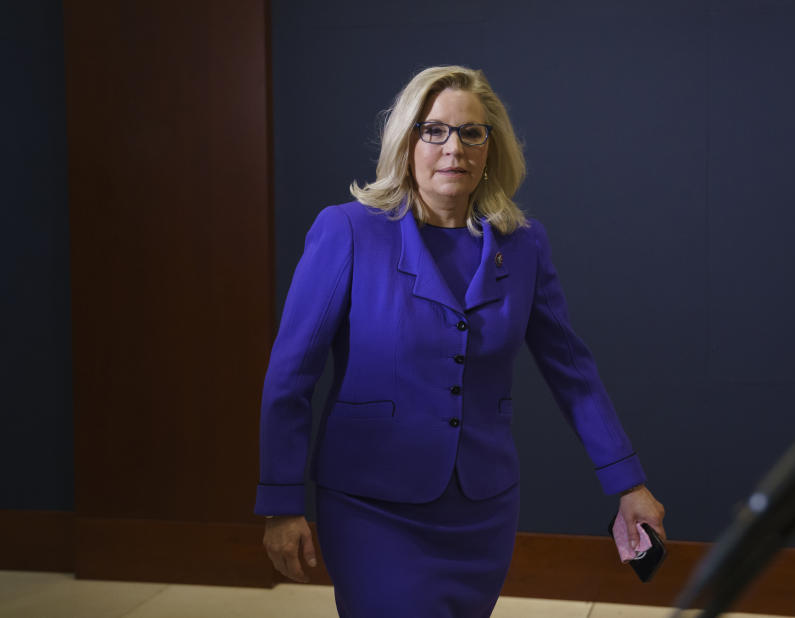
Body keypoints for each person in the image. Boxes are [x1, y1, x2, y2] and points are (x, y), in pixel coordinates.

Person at [255, 65, 666, 617]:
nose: (454, 148)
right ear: (407, 141)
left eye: (472, 133)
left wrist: (628, 483)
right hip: (371, 504)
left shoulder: (524, 245)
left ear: (490, 148)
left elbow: (573, 372)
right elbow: (290, 377)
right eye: (434, 130)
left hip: (482, 507)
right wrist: (281, 503)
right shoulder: (348, 231)